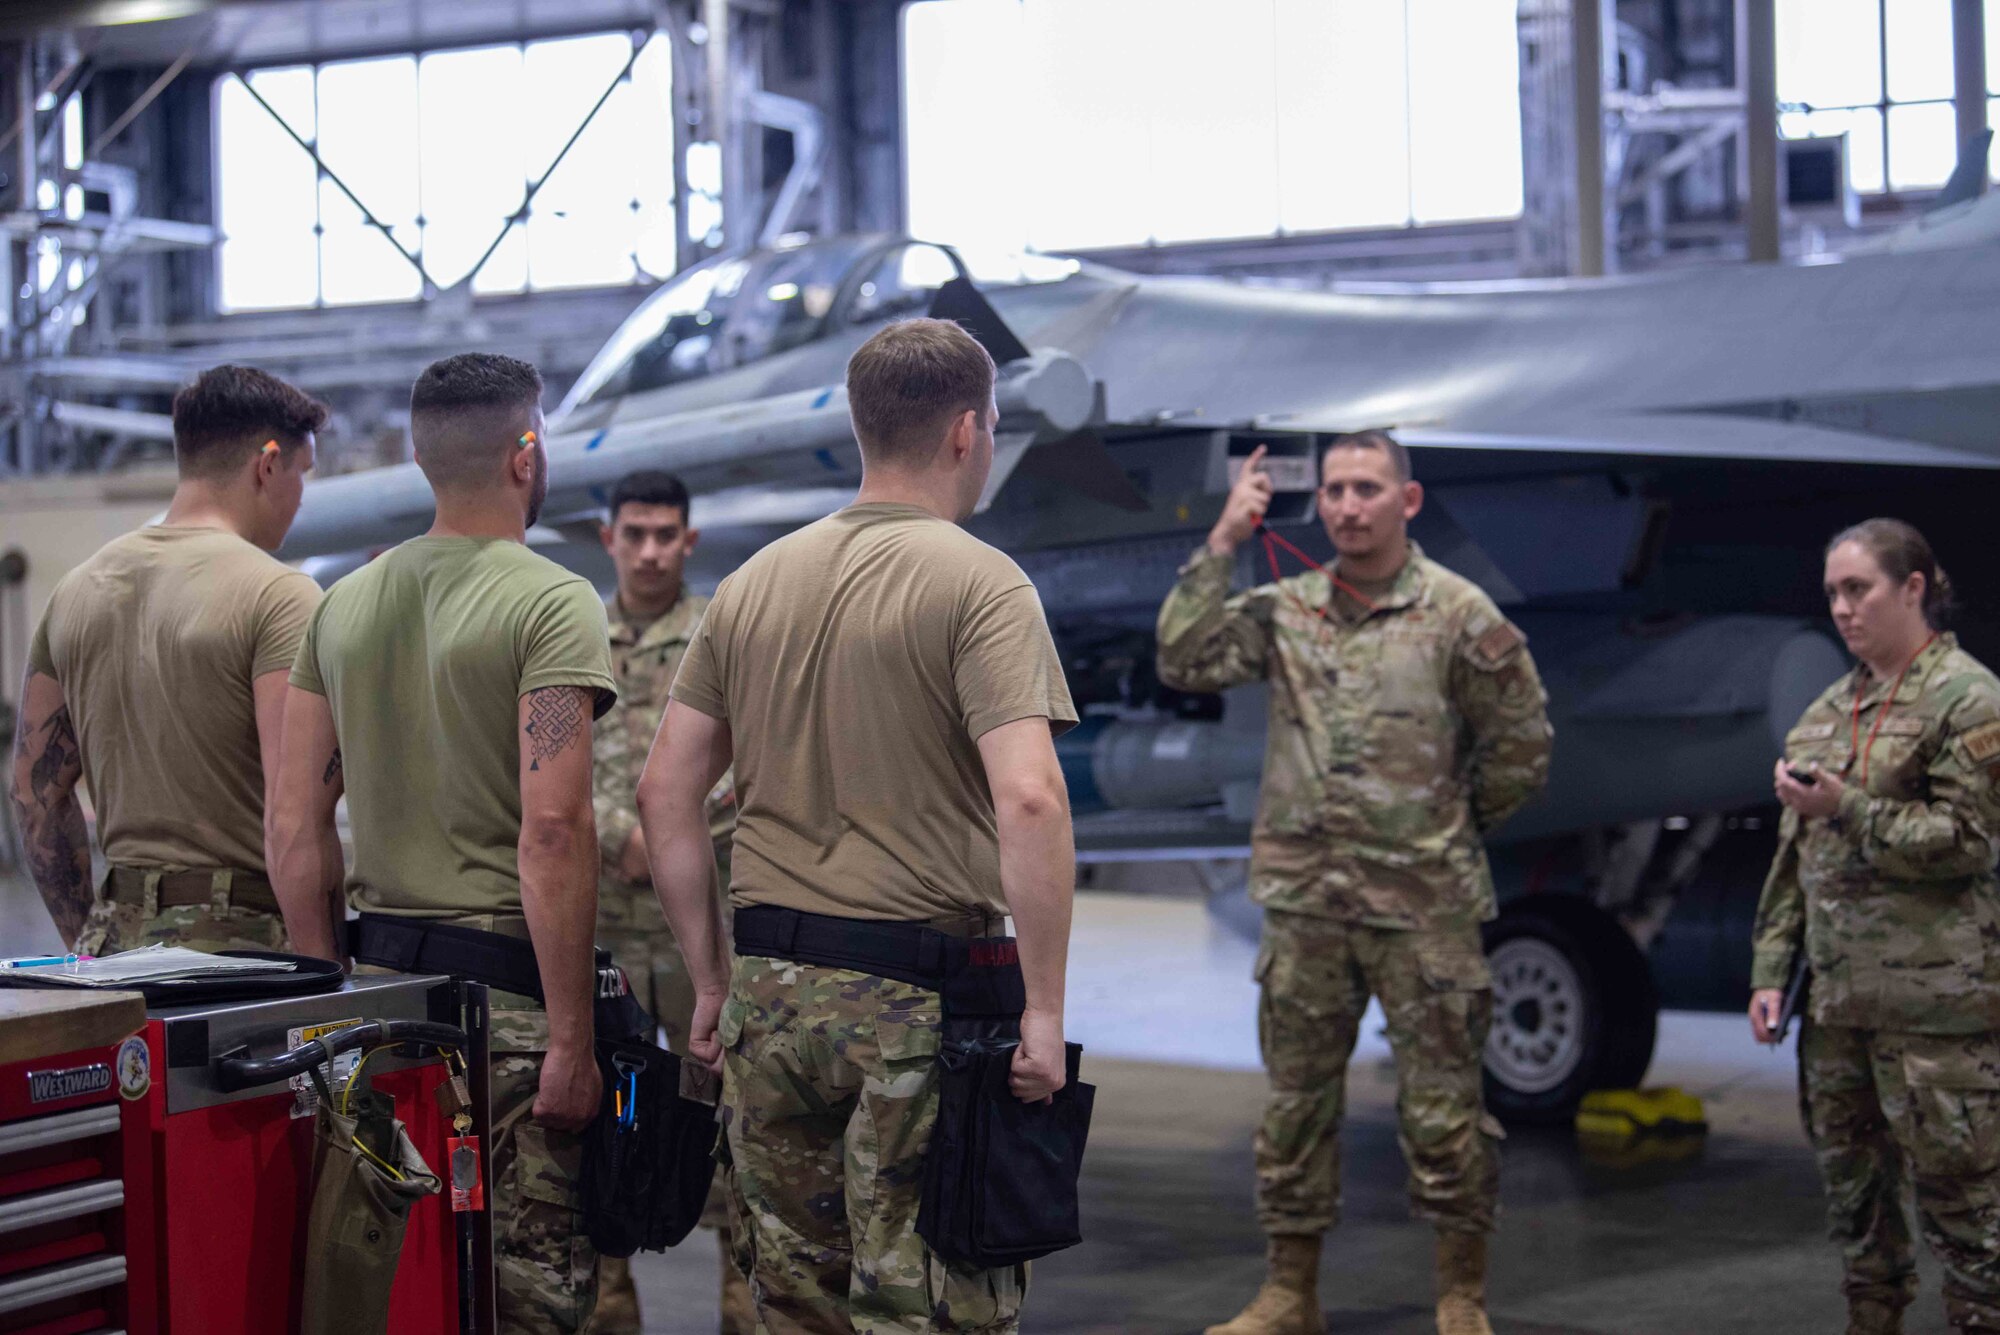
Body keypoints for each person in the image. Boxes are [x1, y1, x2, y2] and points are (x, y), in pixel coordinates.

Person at [637, 317, 1078, 1332]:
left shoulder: (750, 585)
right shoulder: (981, 583)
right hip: (915, 1005)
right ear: (968, 431)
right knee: (922, 1302)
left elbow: (667, 793)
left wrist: (710, 981)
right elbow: (1028, 797)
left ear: (858, 424)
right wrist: (1044, 1012)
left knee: (795, 1303)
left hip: (772, 999)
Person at [1159, 433, 1552, 1335]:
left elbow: (1524, 741)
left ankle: (1461, 1295)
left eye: (1367, 488)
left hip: (1426, 909)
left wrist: (1443, 827)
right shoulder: (1287, 608)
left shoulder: (1457, 613)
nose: (1346, 505)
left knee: (1447, 1113)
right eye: (1334, 489)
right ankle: (1289, 1292)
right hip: (1307, 906)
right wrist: (1224, 536)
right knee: (1296, 1105)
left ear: (1406, 502)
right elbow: (1185, 657)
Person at [270, 353, 614, 1334]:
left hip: (378, 1007)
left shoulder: (339, 605)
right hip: (503, 1009)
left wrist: (327, 1005)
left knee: (406, 1294)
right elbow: (553, 828)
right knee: (530, 1296)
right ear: (524, 452)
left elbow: (295, 825)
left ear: (421, 459)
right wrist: (570, 1042)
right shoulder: (552, 601)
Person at [1749, 518, 2000, 1335]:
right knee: (1854, 1203)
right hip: (1840, 1011)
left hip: (1937, 1015)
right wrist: (1769, 968)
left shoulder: (1968, 700)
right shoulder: (1825, 713)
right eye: (1832, 593)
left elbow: (1968, 842)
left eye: (1859, 588)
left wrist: (1848, 806)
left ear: (1914, 587)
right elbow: (1796, 858)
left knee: (1966, 1207)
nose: (1842, 608)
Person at [9, 365, 327, 954]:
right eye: (303, 474)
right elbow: (295, 814)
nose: (302, 497)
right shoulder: (280, 596)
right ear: (267, 463)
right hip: (241, 947)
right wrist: (323, 976)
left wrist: (87, 943)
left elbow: (34, 795)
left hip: (113, 941)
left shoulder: (76, 590)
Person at [587, 469, 750, 1334]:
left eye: (666, 534)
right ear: (607, 536)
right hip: (601, 925)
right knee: (602, 1122)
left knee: (726, 1121)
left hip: (700, 935)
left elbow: (750, 757)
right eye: (634, 532)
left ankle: (741, 1310)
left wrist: (676, 820)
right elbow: (540, 760)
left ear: (689, 540)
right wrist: (621, 833)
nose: (649, 549)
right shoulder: (571, 631)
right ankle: (609, 1313)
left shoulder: (719, 630)